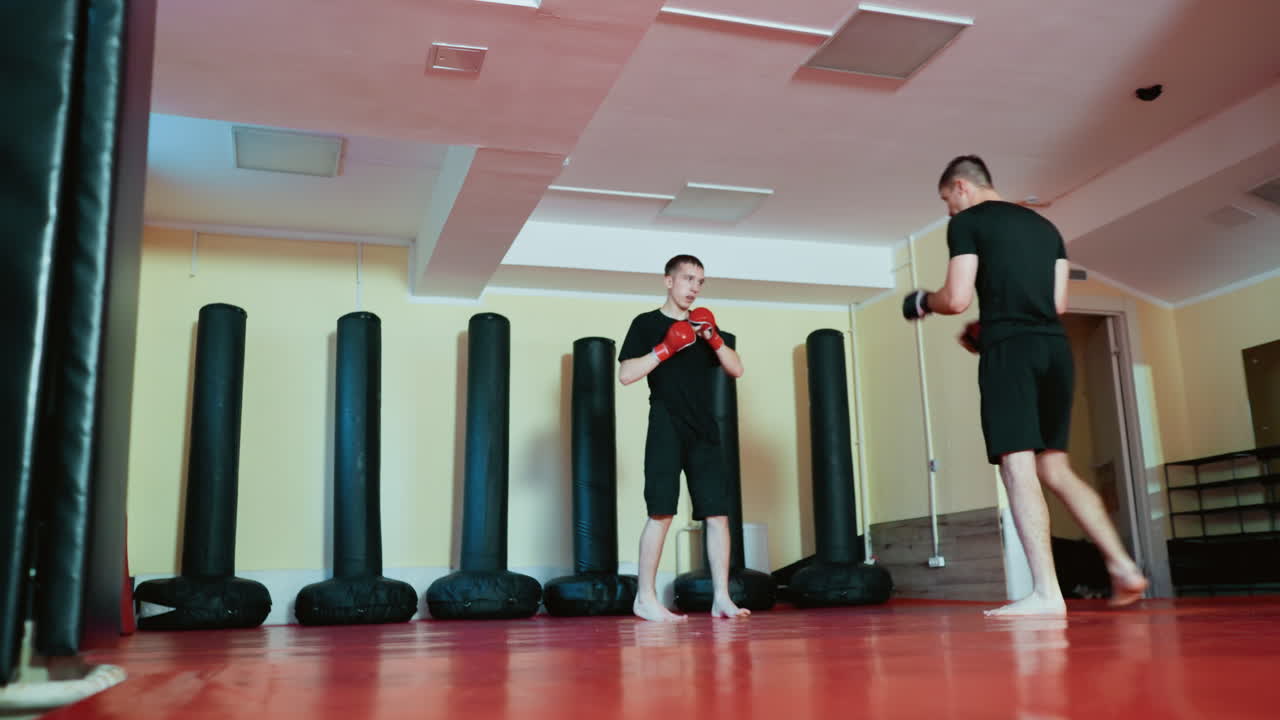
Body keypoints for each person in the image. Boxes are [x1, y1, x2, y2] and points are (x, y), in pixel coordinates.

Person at [902, 155, 1148, 616]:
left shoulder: (967, 223)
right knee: (1053, 466)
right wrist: (990, 329)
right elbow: (1055, 303)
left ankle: (1045, 594)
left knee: (1016, 465)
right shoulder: (1045, 228)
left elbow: (955, 299)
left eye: (946, 201)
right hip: (1054, 349)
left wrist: (922, 301)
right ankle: (1123, 567)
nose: (948, 211)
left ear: (961, 187)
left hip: (1011, 352)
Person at [618, 254, 750, 621]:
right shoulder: (646, 324)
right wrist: (665, 348)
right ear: (668, 281)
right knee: (661, 510)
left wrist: (714, 337)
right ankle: (644, 598)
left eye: (700, 282)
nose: (694, 287)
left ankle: (721, 597)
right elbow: (626, 374)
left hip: (704, 427)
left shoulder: (707, 326)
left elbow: (736, 368)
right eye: (688, 279)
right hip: (666, 422)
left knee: (717, 514)